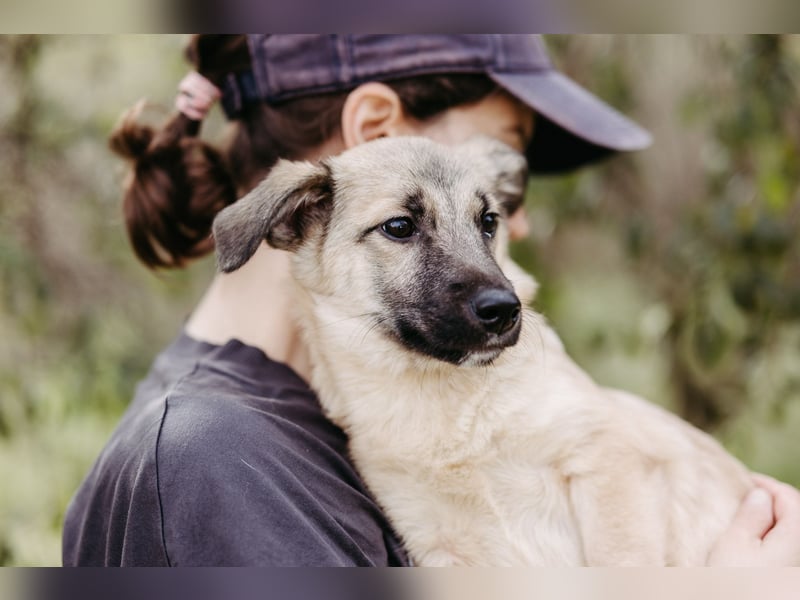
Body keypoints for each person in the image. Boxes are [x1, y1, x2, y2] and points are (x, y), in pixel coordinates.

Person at [62, 34, 800, 567]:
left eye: (489, 209)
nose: (520, 222)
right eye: (503, 143)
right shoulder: (213, 466)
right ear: (376, 132)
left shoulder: (329, 425)